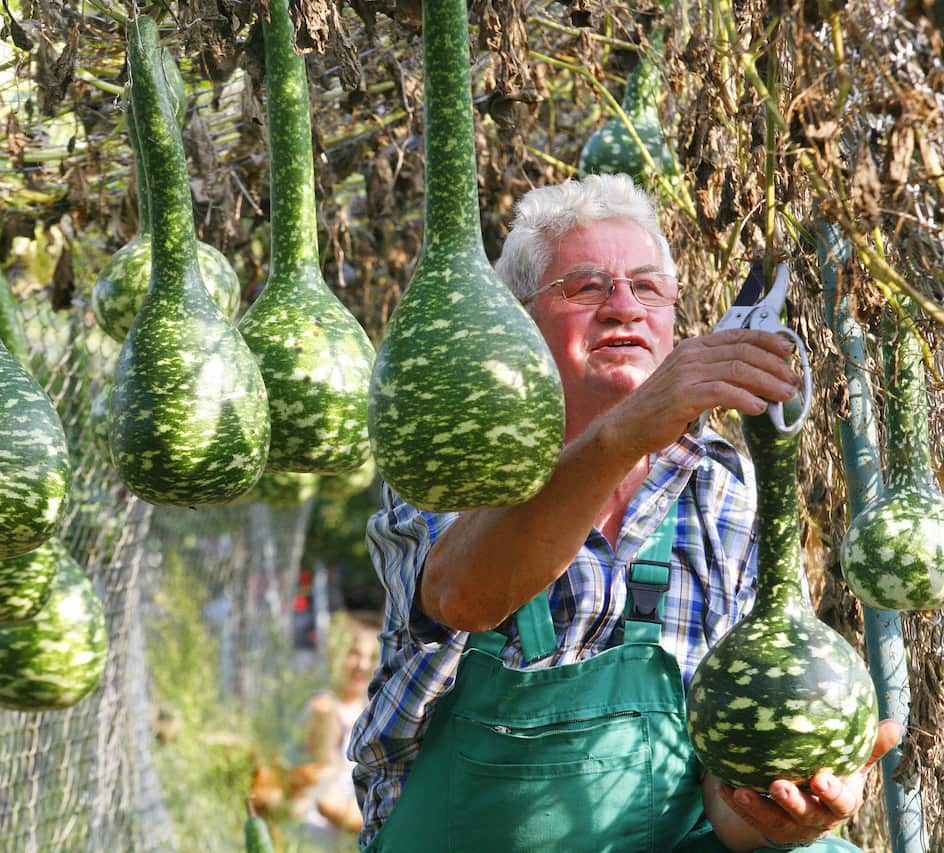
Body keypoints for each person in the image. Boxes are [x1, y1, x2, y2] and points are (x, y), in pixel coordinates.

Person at [348, 174, 902, 853]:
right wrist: (625, 433)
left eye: (647, 287)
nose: (624, 308)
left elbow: (718, 805)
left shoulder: (720, 489)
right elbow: (463, 592)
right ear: (517, 321)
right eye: (586, 287)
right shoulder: (455, 456)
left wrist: (779, 815)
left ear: (673, 313)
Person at [290, 611, 383, 845]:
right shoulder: (325, 710)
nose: (362, 664)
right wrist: (383, 830)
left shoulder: (370, 712)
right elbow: (325, 800)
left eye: (372, 657)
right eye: (354, 653)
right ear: (335, 653)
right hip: (315, 839)